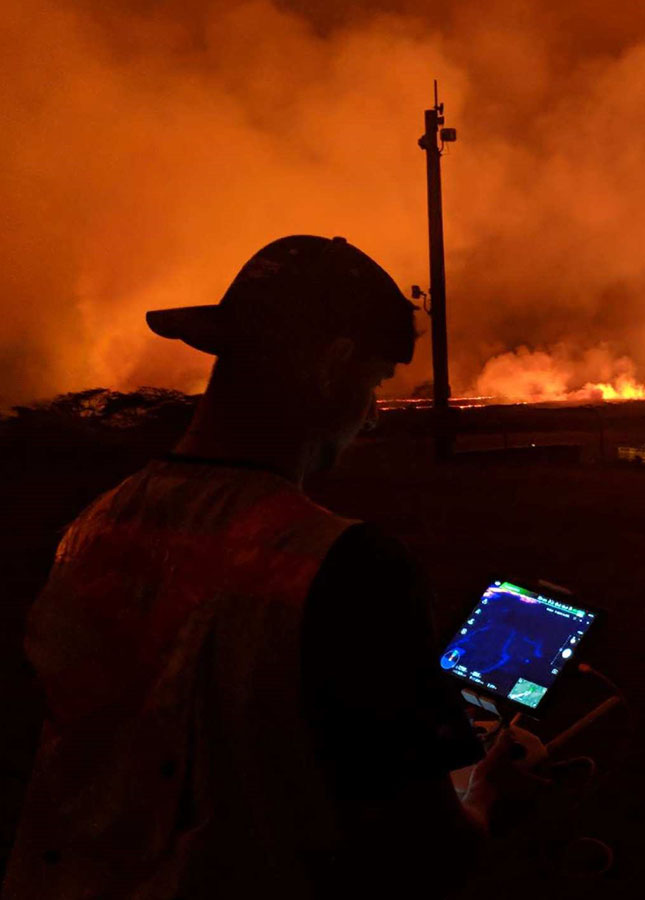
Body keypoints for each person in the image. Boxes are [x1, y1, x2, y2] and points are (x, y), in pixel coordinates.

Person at [2, 235, 525, 898]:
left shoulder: (93, 524)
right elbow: (423, 852)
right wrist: (486, 798)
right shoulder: (347, 568)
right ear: (333, 365)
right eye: (373, 384)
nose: (369, 417)